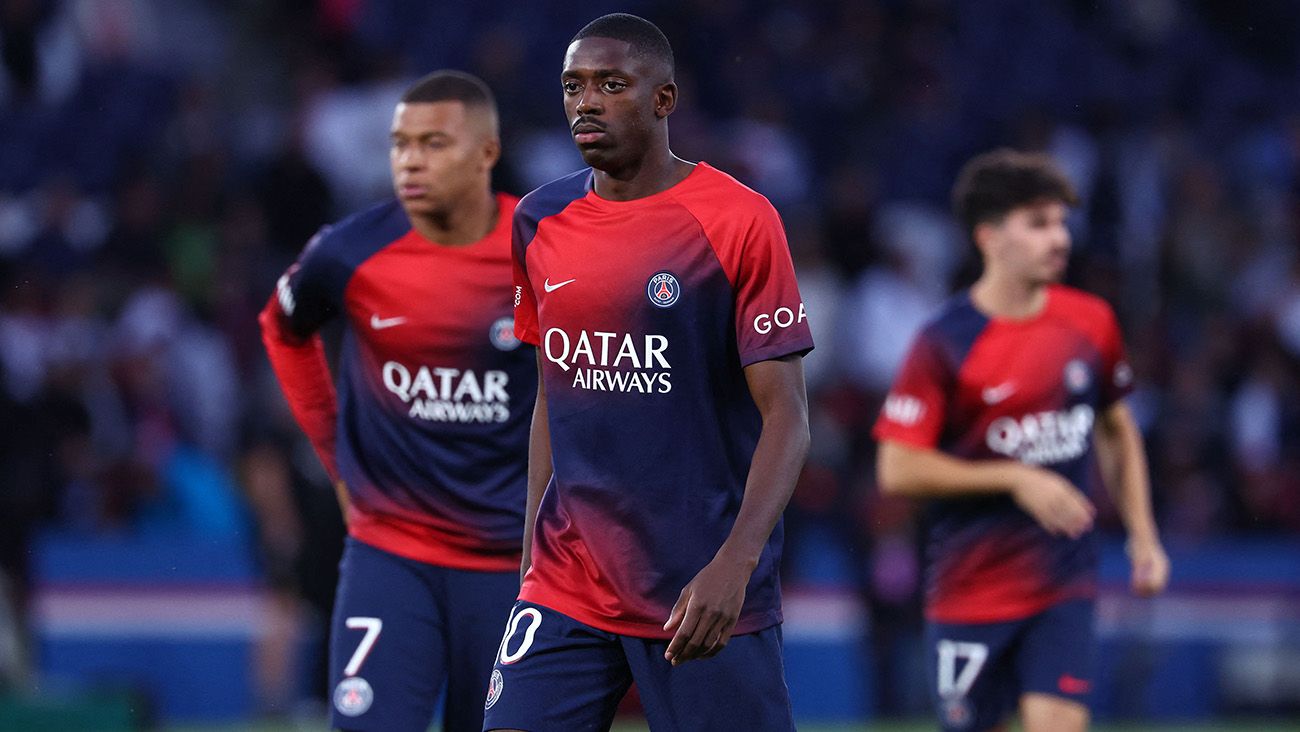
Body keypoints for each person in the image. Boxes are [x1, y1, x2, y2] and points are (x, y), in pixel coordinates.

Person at [482, 13, 812, 732]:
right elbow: (551, 394)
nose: (586, 102)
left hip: (700, 591)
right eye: (573, 86)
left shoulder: (738, 222)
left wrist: (736, 564)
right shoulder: (541, 219)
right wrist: (531, 555)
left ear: (663, 100)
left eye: (610, 84)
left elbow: (786, 415)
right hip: (566, 583)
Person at [258, 70, 535, 732]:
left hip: (513, 564)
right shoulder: (350, 250)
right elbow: (283, 328)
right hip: (391, 554)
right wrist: (335, 458)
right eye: (400, 143)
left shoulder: (545, 250)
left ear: (485, 154)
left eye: (434, 143)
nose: (410, 160)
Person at [873, 149, 1171, 732]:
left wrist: (1143, 535)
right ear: (989, 237)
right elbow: (897, 469)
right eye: (1038, 224)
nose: (1059, 238)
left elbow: (1117, 427)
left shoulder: (1091, 323)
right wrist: (1014, 475)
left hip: (1063, 583)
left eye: (1061, 223)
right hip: (970, 591)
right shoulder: (945, 342)